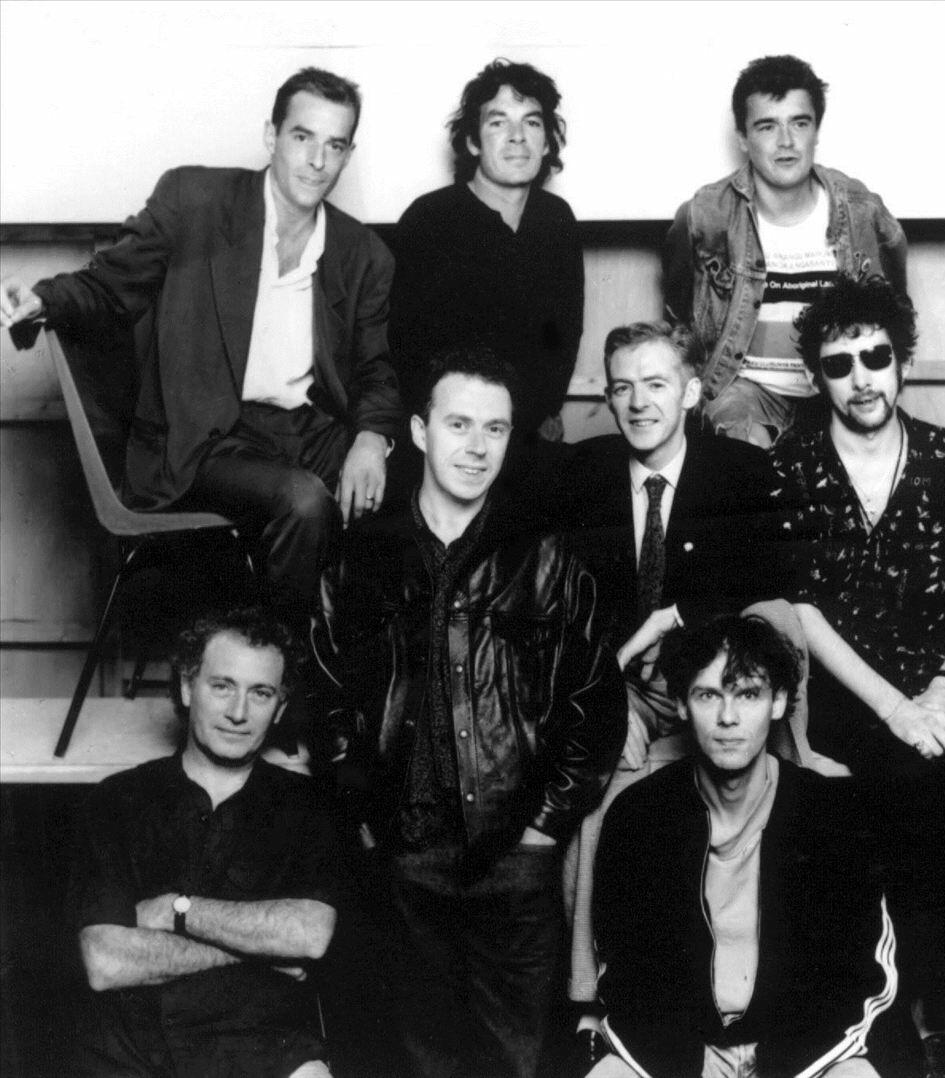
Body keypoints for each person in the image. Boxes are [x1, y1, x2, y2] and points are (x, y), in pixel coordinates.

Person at [0, 68, 402, 628]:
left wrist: (372, 438)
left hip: (305, 431)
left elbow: (375, 369)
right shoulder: (195, 201)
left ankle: (359, 673)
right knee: (304, 502)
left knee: (412, 490)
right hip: (203, 436)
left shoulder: (362, 253)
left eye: (335, 145)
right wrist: (43, 301)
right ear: (271, 136)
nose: (317, 160)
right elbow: (110, 286)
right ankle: (278, 667)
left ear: (348, 155)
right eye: (302, 137)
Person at [325, 345, 625, 1078]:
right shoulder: (365, 558)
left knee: (515, 1063)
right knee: (415, 1063)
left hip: (514, 859)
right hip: (404, 858)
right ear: (420, 431)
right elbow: (325, 692)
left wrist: (541, 829)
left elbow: (594, 703)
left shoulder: (546, 558)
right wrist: (366, 819)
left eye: (495, 429)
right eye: (459, 425)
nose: (477, 447)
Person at [771, 274, 945, 1078]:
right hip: (849, 692)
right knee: (908, 786)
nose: (861, 378)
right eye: (839, 364)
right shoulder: (792, 465)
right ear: (817, 376)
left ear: (903, 362)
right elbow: (800, 607)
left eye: (876, 357)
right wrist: (896, 709)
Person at [552, 320, 812, 1072]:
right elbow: (556, 608)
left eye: (656, 384)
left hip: (710, 678)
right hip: (621, 686)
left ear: (692, 391)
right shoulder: (582, 475)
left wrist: (675, 617)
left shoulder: (739, 472)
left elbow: (776, 590)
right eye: (622, 387)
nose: (639, 403)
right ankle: (591, 1003)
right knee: (601, 776)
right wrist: (609, 686)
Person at [589, 614, 897, 1078]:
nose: (728, 717)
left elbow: (864, 974)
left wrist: (778, 1063)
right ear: (681, 704)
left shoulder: (831, 813)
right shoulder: (641, 815)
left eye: (748, 694)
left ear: (778, 702)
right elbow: (624, 975)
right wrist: (689, 1063)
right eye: (708, 695)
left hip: (798, 1056)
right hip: (680, 1053)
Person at [67, 607, 338, 1077]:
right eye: (222, 686)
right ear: (188, 688)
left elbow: (308, 936)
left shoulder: (309, 807)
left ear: (280, 707)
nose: (238, 713)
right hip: (130, 1057)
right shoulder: (116, 800)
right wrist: (258, 947)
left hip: (266, 1054)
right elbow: (106, 961)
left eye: (260, 693)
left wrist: (177, 912)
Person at [664, 55, 907, 448]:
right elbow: (679, 318)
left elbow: (893, 308)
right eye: (767, 126)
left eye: (800, 123)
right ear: (743, 138)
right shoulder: (706, 216)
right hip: (744, 389)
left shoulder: (861, 211)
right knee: (743, 452)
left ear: (816, 131)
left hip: (836, 385)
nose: (786, 141)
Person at [389, 58, 583, 440]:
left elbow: (564, 337)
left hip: (530, 432)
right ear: (472, 141)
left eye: (532, 122)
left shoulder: (556, 219)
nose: (517, 136)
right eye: (498, 122)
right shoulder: (429, 220)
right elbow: (407, 352)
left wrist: (546, 412)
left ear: (546, 142)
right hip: (451, 432)